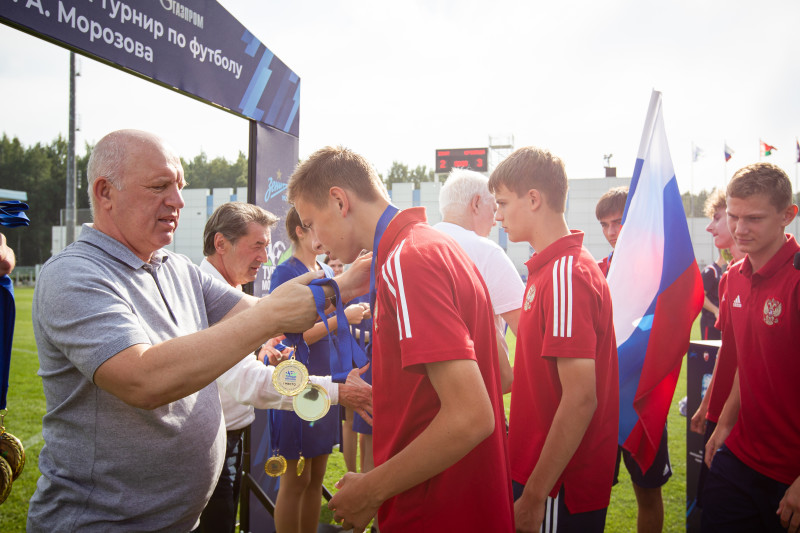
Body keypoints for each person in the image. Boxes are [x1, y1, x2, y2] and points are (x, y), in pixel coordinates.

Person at [27, 129, 369, 532]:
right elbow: (143, 379)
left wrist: (345, 285)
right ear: (105, 193)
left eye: (179, 186)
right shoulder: (75, 274)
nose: (178, 200)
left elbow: (259, 309)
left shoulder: (174, 267)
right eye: (159, 187)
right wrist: (293, 323)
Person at [289, 146, 514, 532]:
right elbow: (500, 374)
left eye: (311, 223)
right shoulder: (436, 246)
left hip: (438, 509)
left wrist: (372, 489)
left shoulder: (407, 260)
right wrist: (397, 399)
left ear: (339, 201)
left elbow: (471, 415)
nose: (316, 240)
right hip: (466, 501)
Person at [197, 202, 370, 533]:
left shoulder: (229, 289)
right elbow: (246, 381)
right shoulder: (209, 294)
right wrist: (338, 390)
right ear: (221, 244)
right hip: (209, 441)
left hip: (231, 434)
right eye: (257, 245)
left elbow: (246, 354)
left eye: (266, 245)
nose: (264, 257)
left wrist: (263, 351)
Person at [491, 146, 619, 533]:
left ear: (533, 200)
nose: (496, 215)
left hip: (555, 485)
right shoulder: (551, 269)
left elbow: (580, 398)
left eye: (501, 203)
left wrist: (533, 496)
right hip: (543, 475)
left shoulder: (566, 274)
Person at [703, 162, 800, 533]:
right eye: (734, 216)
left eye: (754, 219)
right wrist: (725, 423)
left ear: (786, 216)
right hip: (740, 457)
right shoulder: (733, 279)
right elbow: (751, 360)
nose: (740, 230)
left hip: (791, 474)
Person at [268, 206, 369, 533]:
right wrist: (344, 318)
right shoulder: (286, 274)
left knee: (314, 480)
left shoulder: (325, 269)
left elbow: (333, 327)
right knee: (295, 481)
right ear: (300, 230)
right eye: (316, 227)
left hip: (327, 383)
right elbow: (287, 339)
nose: (326, 236)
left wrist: (357, 327)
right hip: (300, 381)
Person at [595, 185, 672, 533]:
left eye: (619, 223)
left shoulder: (660, 273)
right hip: (600, 404)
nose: (613, 232)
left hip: (643, 404)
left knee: (648, 494)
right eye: (605, 225)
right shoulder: (596, 271)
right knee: (593, 495)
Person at [433, 167, 524, 394]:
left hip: (426, 391)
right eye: (494, 209)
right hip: (481, 390)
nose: (496, 221)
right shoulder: (486, 251)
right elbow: (525, 329)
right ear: (475, 204)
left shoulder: (415, 246)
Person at [688, 188, 745, 509]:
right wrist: (707, 407)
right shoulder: (729, 277)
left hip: (750, 423)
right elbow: (730, 352)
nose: (710, 227)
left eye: (717, 217)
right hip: (722, 414)